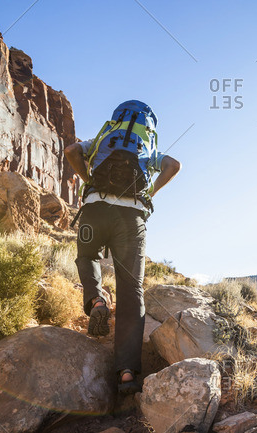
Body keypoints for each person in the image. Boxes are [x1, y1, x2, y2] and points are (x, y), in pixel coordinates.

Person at [64, 100, 181, 394]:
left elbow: (71, 151)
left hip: (94, 211)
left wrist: (88, 178)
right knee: (132, 289)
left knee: (87, 256)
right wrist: (151, 191)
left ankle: (97, 301)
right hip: (131, 219)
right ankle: (127, 372)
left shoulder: (104, 138)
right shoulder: (148, 146)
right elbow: (173, 165)